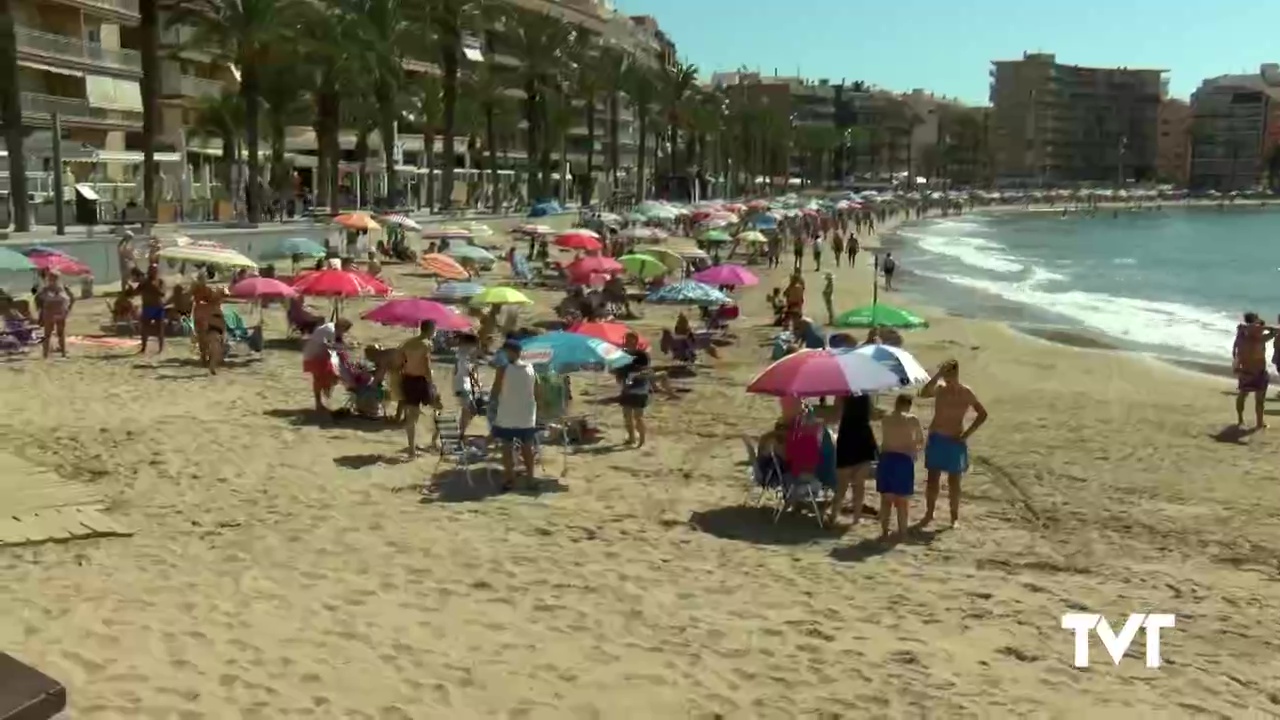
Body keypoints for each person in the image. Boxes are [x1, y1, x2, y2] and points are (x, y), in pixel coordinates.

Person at [919, 359, 988, 527]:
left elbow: (982, 414)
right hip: (937, 438)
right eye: (944, 371)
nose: (946, 375)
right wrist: (937, 375)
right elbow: (923, 393)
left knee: (954, 482)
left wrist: (967, 434)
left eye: (948, 371)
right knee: (933, 479)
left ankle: (954, 517)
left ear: (955, 372)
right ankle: (929, 513)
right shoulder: (940, 389)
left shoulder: (966, 392)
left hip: (955, 440)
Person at [490, 339, 539, 490]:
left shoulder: (503, 369)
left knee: (507, 447)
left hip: (507, 414)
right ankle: (530, 478)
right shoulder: (531, 368)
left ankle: (509, 479)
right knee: (527, 447)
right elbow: (538, 390)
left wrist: (492, 404)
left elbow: (496, 390)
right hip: (526, 414)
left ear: (510, 352)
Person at [877, 394, 924, 540]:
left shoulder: (886, 418)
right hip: (903, 460)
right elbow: (920, 440)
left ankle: (884, 531)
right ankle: (902, 532)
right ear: (908, 405)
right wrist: (913, 448)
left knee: (886, 499)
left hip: (886, 459)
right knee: (902, 501)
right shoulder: (912, 420)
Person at [828, 393, 878, 526]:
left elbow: (836, 415)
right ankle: (856, 517)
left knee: (842, 483)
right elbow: (872, 414)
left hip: (847, 435)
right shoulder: (866, 393)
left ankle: (834, 515)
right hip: (864, 435)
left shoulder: (842, 393)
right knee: (859, 483)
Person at [397, 320, 441, 458]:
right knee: (439, 407)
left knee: (411, 416)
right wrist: (432, 383)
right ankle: (434, 441)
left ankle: (411, 449)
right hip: (421, 381)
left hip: (408, 380)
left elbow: (401, 362)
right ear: (430, 330)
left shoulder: (407, 343)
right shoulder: (426, 345)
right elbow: (426, 366)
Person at [1232, 312, 1277, 428]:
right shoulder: (1260, 339)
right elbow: (1275, 331)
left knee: (1243, 395)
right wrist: (1265, 327)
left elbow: (1234, 353)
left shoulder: (1240, 338)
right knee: (1259, 400)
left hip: (1245, 371)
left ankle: (1241, 420)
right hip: (1258, 372)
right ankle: (1259, 423)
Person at [302, 318, 352, 412]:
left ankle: (322, 398)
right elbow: (328, 346)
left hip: (319, 357)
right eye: (345, 330)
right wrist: (342, 347)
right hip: (315, 357)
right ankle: (319, 402)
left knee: (327, 378)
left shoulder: (332, 328)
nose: (344, 332)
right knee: (321, 379)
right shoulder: (330, 330)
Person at [616, 332, 652, 447]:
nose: (629, 343)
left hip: (640, 389)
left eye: (631, 341)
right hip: (626, 389)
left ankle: (641, 440)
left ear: (636, 342)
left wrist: (634, 375)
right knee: (627, 415)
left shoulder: (642, 356)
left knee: (638, 416)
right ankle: (631, 437)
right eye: (627, 340)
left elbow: (646, 371)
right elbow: (618, 371)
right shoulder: (621, 355)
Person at [34, 271, 73, 359]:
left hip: (58, 312)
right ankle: (46, 354)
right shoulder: (46, 289)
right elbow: (38, 300)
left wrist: (67, 310)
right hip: (49, 312)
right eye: (51, 278)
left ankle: (62, 353)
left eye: (54, 278)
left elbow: (70, 299)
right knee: (48, 334)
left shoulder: (62, 288)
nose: (52, 279)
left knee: (60, 333)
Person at [454, 332, 481, 437]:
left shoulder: (462, 355)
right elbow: (468, 371)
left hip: (462, 384)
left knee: (467, 410)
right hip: (462, 385)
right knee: (470, 410)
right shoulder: (463, 357)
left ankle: (461, 431)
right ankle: (460, 432)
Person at [135, 265, 166, 353]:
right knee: (145, 328)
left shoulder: (160, 282)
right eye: (151, 270)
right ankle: (143, 348)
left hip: (158, 307)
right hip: (147, 307)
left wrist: (153, 286)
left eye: (154, 270)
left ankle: (160, 349)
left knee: (159, 328)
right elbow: (136, 292)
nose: (152, 272)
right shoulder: (144, 282)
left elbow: (162, 293)